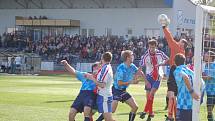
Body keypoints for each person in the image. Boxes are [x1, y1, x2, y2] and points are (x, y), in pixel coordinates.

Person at [96, 50, 144, 121]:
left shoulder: (132, 66)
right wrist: (132, 81)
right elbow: (119, 83)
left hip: (123, 91)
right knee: (111, 110)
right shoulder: (121, 68)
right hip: (116, 90)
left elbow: (138, 72)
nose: (133, 57)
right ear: (128, 58)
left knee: (135, 107)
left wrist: (141, 69)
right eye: (132, 56)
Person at [159, 14, 188, 121]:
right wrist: (162, 63)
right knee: (174, 94)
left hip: (174, 71)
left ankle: (171, 116)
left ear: (182, 44)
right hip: (180, 72)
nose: (178, 41)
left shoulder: (176, 46)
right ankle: (175, 117)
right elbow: (171, 59)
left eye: (180, 41)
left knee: (171, 94)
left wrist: (164, 26)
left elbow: (169, 38)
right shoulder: (182, 52)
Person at [139, 39, 169, 120]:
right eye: (150, 47)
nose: (151, 49)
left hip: (158, 76)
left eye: (153, 47)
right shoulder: (145, 55)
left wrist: (161, 63)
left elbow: (167, 59)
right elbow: (141, 67)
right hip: (149, 76)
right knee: (148, 96)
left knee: (151, 94)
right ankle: (151, 113)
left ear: (156, 46)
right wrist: (143, 79)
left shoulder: (160, 53)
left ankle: (145, 111)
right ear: (148, 46)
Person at [86, 52, 115, 121]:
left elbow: (102, 85)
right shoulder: (106, 67)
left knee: (108, 119)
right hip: (104, 95)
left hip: (104, 96)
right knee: (108, 118)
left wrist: (92, 78)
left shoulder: (105, 69)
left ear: (102, 58)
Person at [173, 53, 200, 121]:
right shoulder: (189, 70)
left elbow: (185, 77)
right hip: (192, 104)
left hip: (183, 104)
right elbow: (201, 82)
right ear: (184, 61)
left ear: (175, 62)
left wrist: (192, 92)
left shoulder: (177, 70)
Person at [202, 51, 215, 121]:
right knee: (209, 110)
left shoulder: (213, 65)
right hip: (210, 91)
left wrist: (200, 75)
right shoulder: (207, 65)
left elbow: (209, 77)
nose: (204, 56)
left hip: (213, 91)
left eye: (206, 55)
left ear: (211, 57)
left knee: (209, 109)